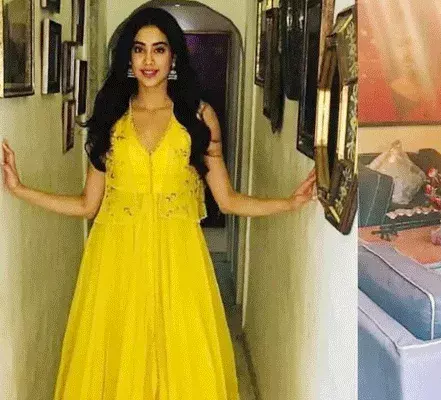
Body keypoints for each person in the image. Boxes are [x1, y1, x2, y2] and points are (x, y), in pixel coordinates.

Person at [1, 8, 315, 399]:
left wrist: (289, 203)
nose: (148, 60)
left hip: (179, 261)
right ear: (128, 58)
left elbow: (228, 199)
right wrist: (20, 189)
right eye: (139, 49)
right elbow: (86, 205)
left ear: (174, 57)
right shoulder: (111, 115)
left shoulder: (199, 117)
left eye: (159, 49)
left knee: (182, 365)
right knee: (118, 363)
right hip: (115, 261)